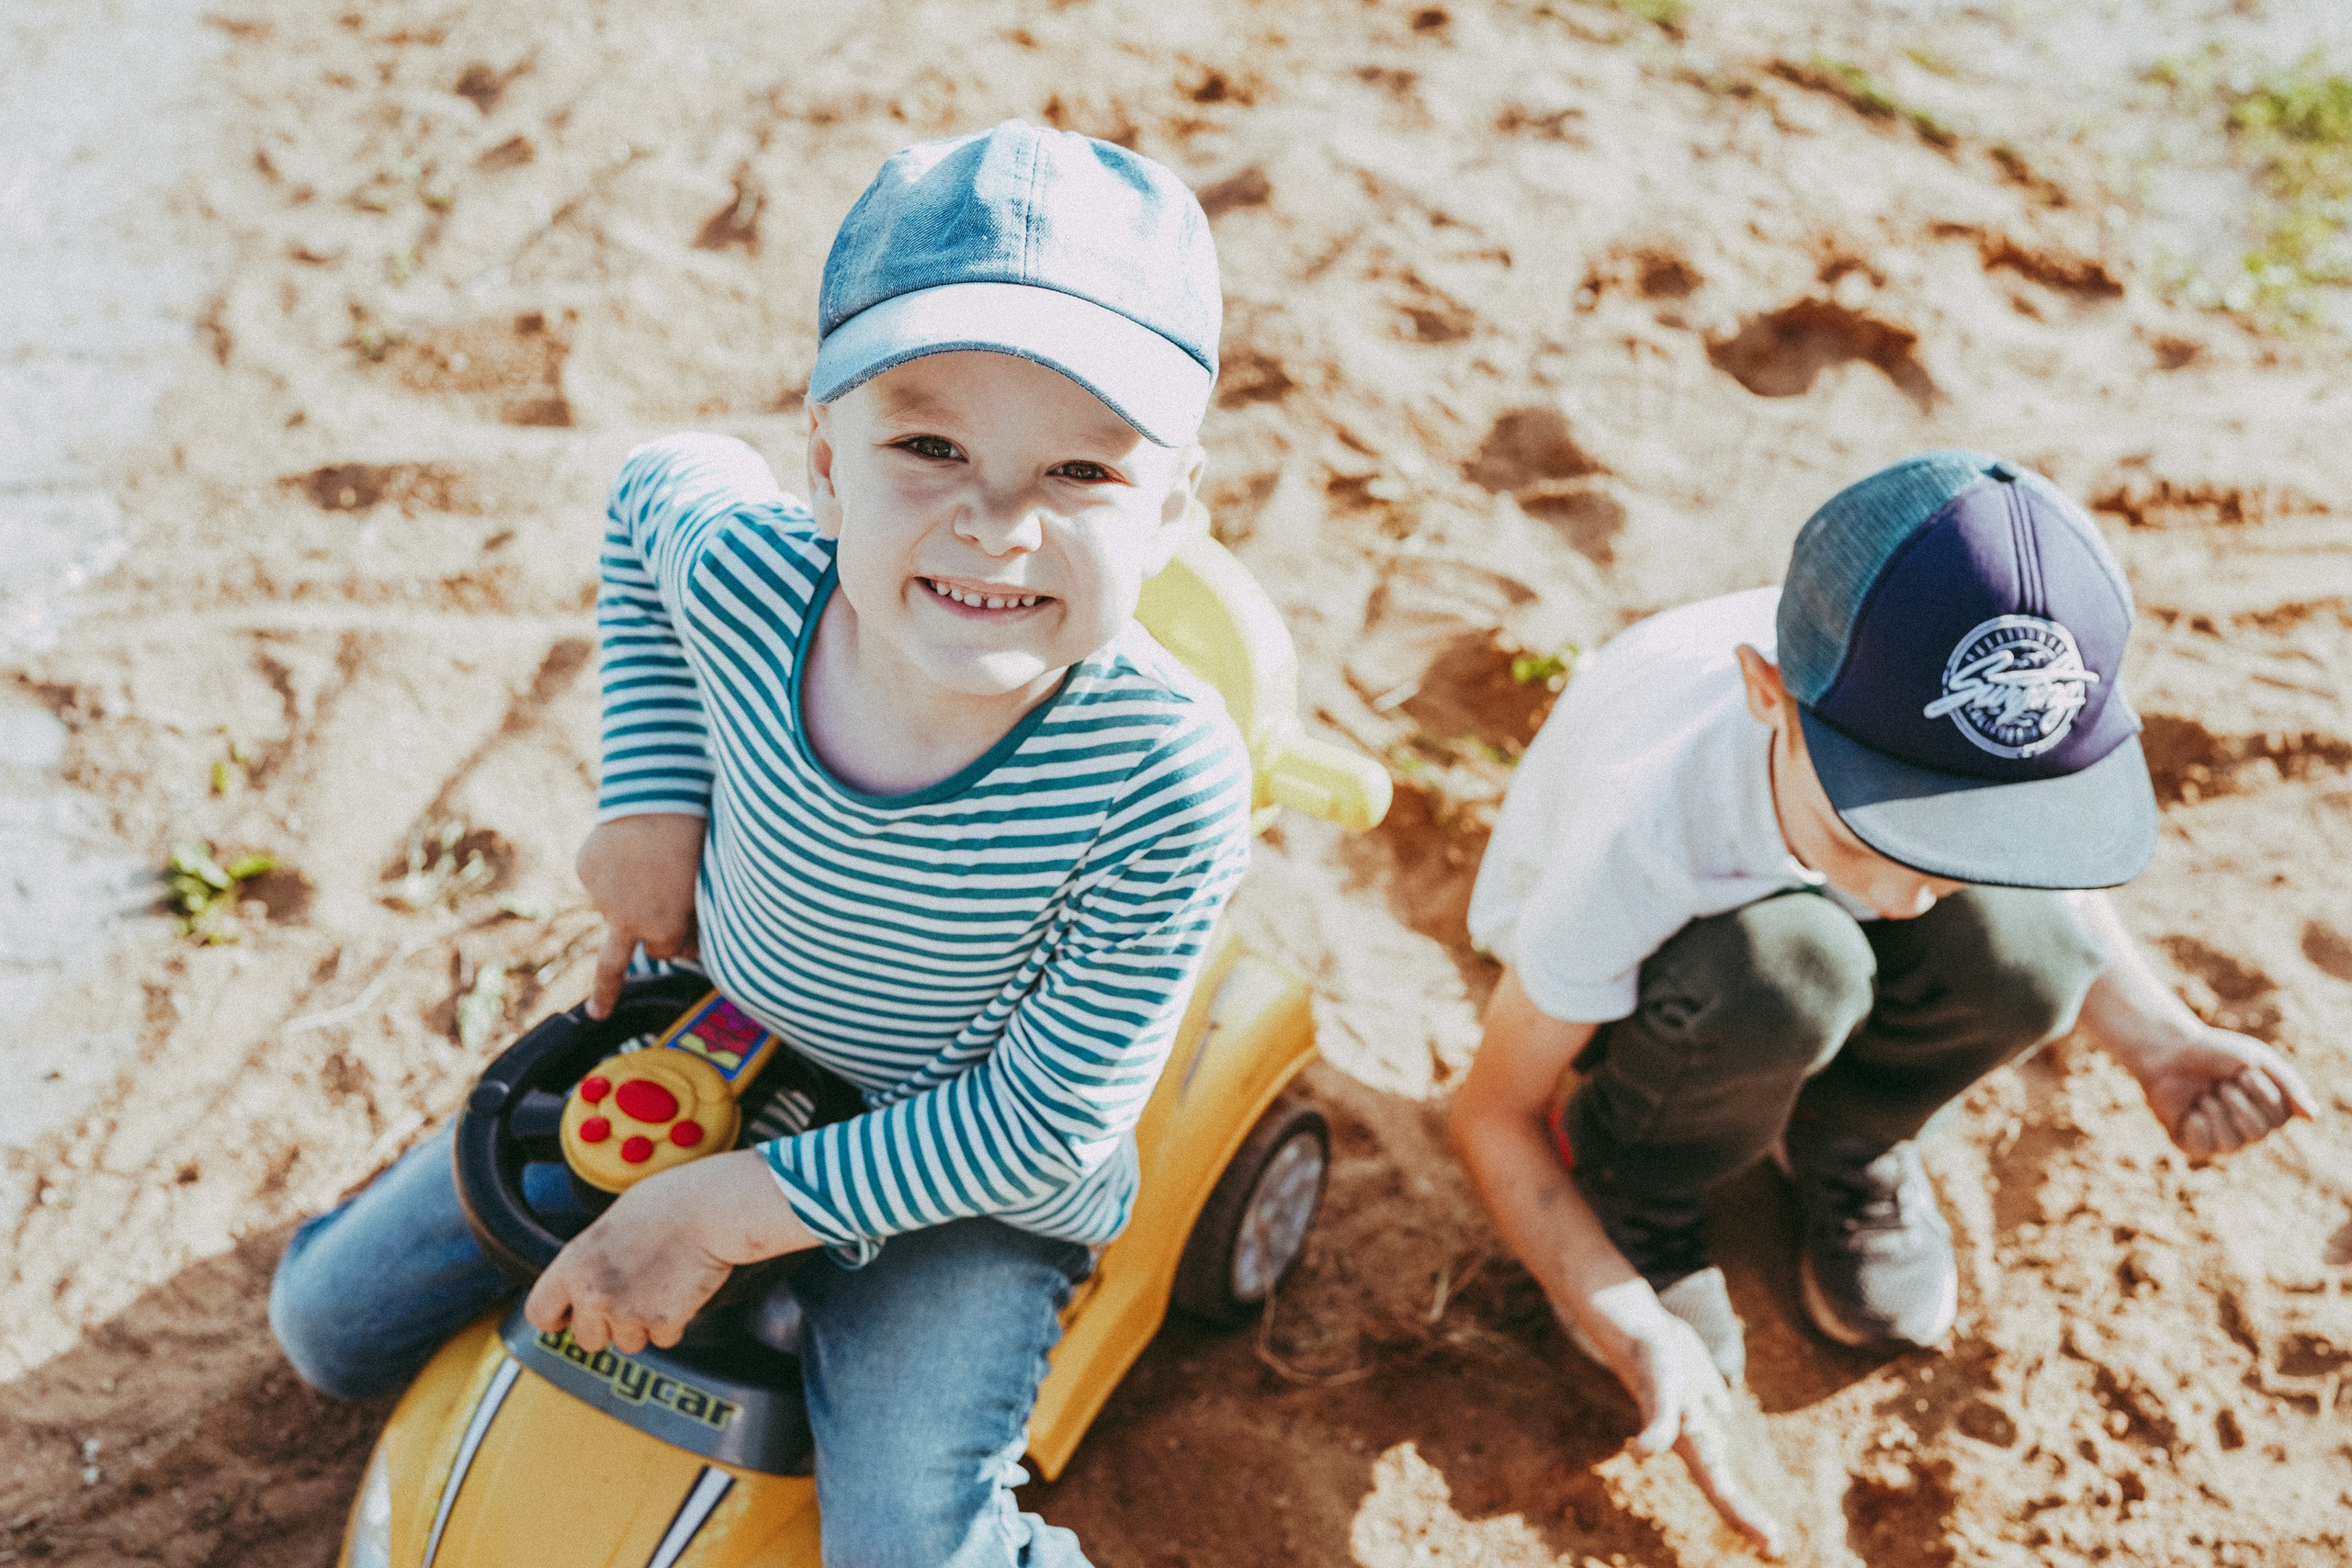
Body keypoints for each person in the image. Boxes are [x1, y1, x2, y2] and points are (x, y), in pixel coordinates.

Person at [269, 121, 1252, 1567]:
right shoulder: (751, 569)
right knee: (322, 1327)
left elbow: (1048, 1121)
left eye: (1083, 475)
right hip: (731, 1027)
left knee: (905, 1541)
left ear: (1172, 507)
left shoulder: (1162, 776)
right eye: (929, 444)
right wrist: (654, 796)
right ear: (826, 460)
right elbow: (649, 492)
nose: (995, 524)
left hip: (965, 1167)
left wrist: (732, 1208)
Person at [1448, 451, 2321, 1554]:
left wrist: (2157, 1040)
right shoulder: (1648, 820)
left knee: (2034, 950)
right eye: (1889, 826)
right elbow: (1489, 1113)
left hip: (1782, 899)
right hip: (1658, 973)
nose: (1918, 896)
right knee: (1789, 970)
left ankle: (1846, 1132)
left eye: (1976, 831)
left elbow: (2050, 905)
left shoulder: (1944, 737)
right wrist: (1615, 1309)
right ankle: (1640, 1177)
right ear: (1770, 692)